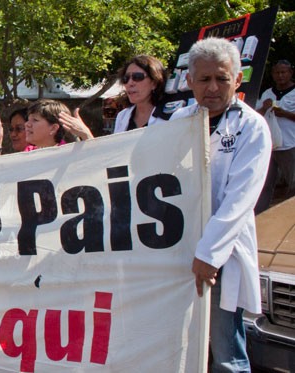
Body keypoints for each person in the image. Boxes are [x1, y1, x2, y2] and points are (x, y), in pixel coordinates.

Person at [167, 37, 271, 372]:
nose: (213, 87)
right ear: (189, 82)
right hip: (178, 247)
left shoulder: (252, 127)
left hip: (220, 254)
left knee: (226, 349)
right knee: (178, 341)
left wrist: (208, 255)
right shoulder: (180, 120)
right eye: (204, 79)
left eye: (222, 78)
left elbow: (240, 200)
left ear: (237, 80)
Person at [256, 60, 295, 211]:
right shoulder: (267, 93)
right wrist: (264, 108)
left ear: (290, 73)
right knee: (265, 184)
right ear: (272, 74)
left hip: (290, 144)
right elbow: (254, 115)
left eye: (283, 72)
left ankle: (289, 219)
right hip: (269, 146)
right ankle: (261, 215)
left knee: (293, 183)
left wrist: (284, 113)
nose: (280, 76)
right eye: (277, 73)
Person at [112, 55, 167, 133]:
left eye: (137, 77)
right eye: (126, 78)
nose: (130, 83)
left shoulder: (170, 116)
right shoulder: (122, 117)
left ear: (154, 83)